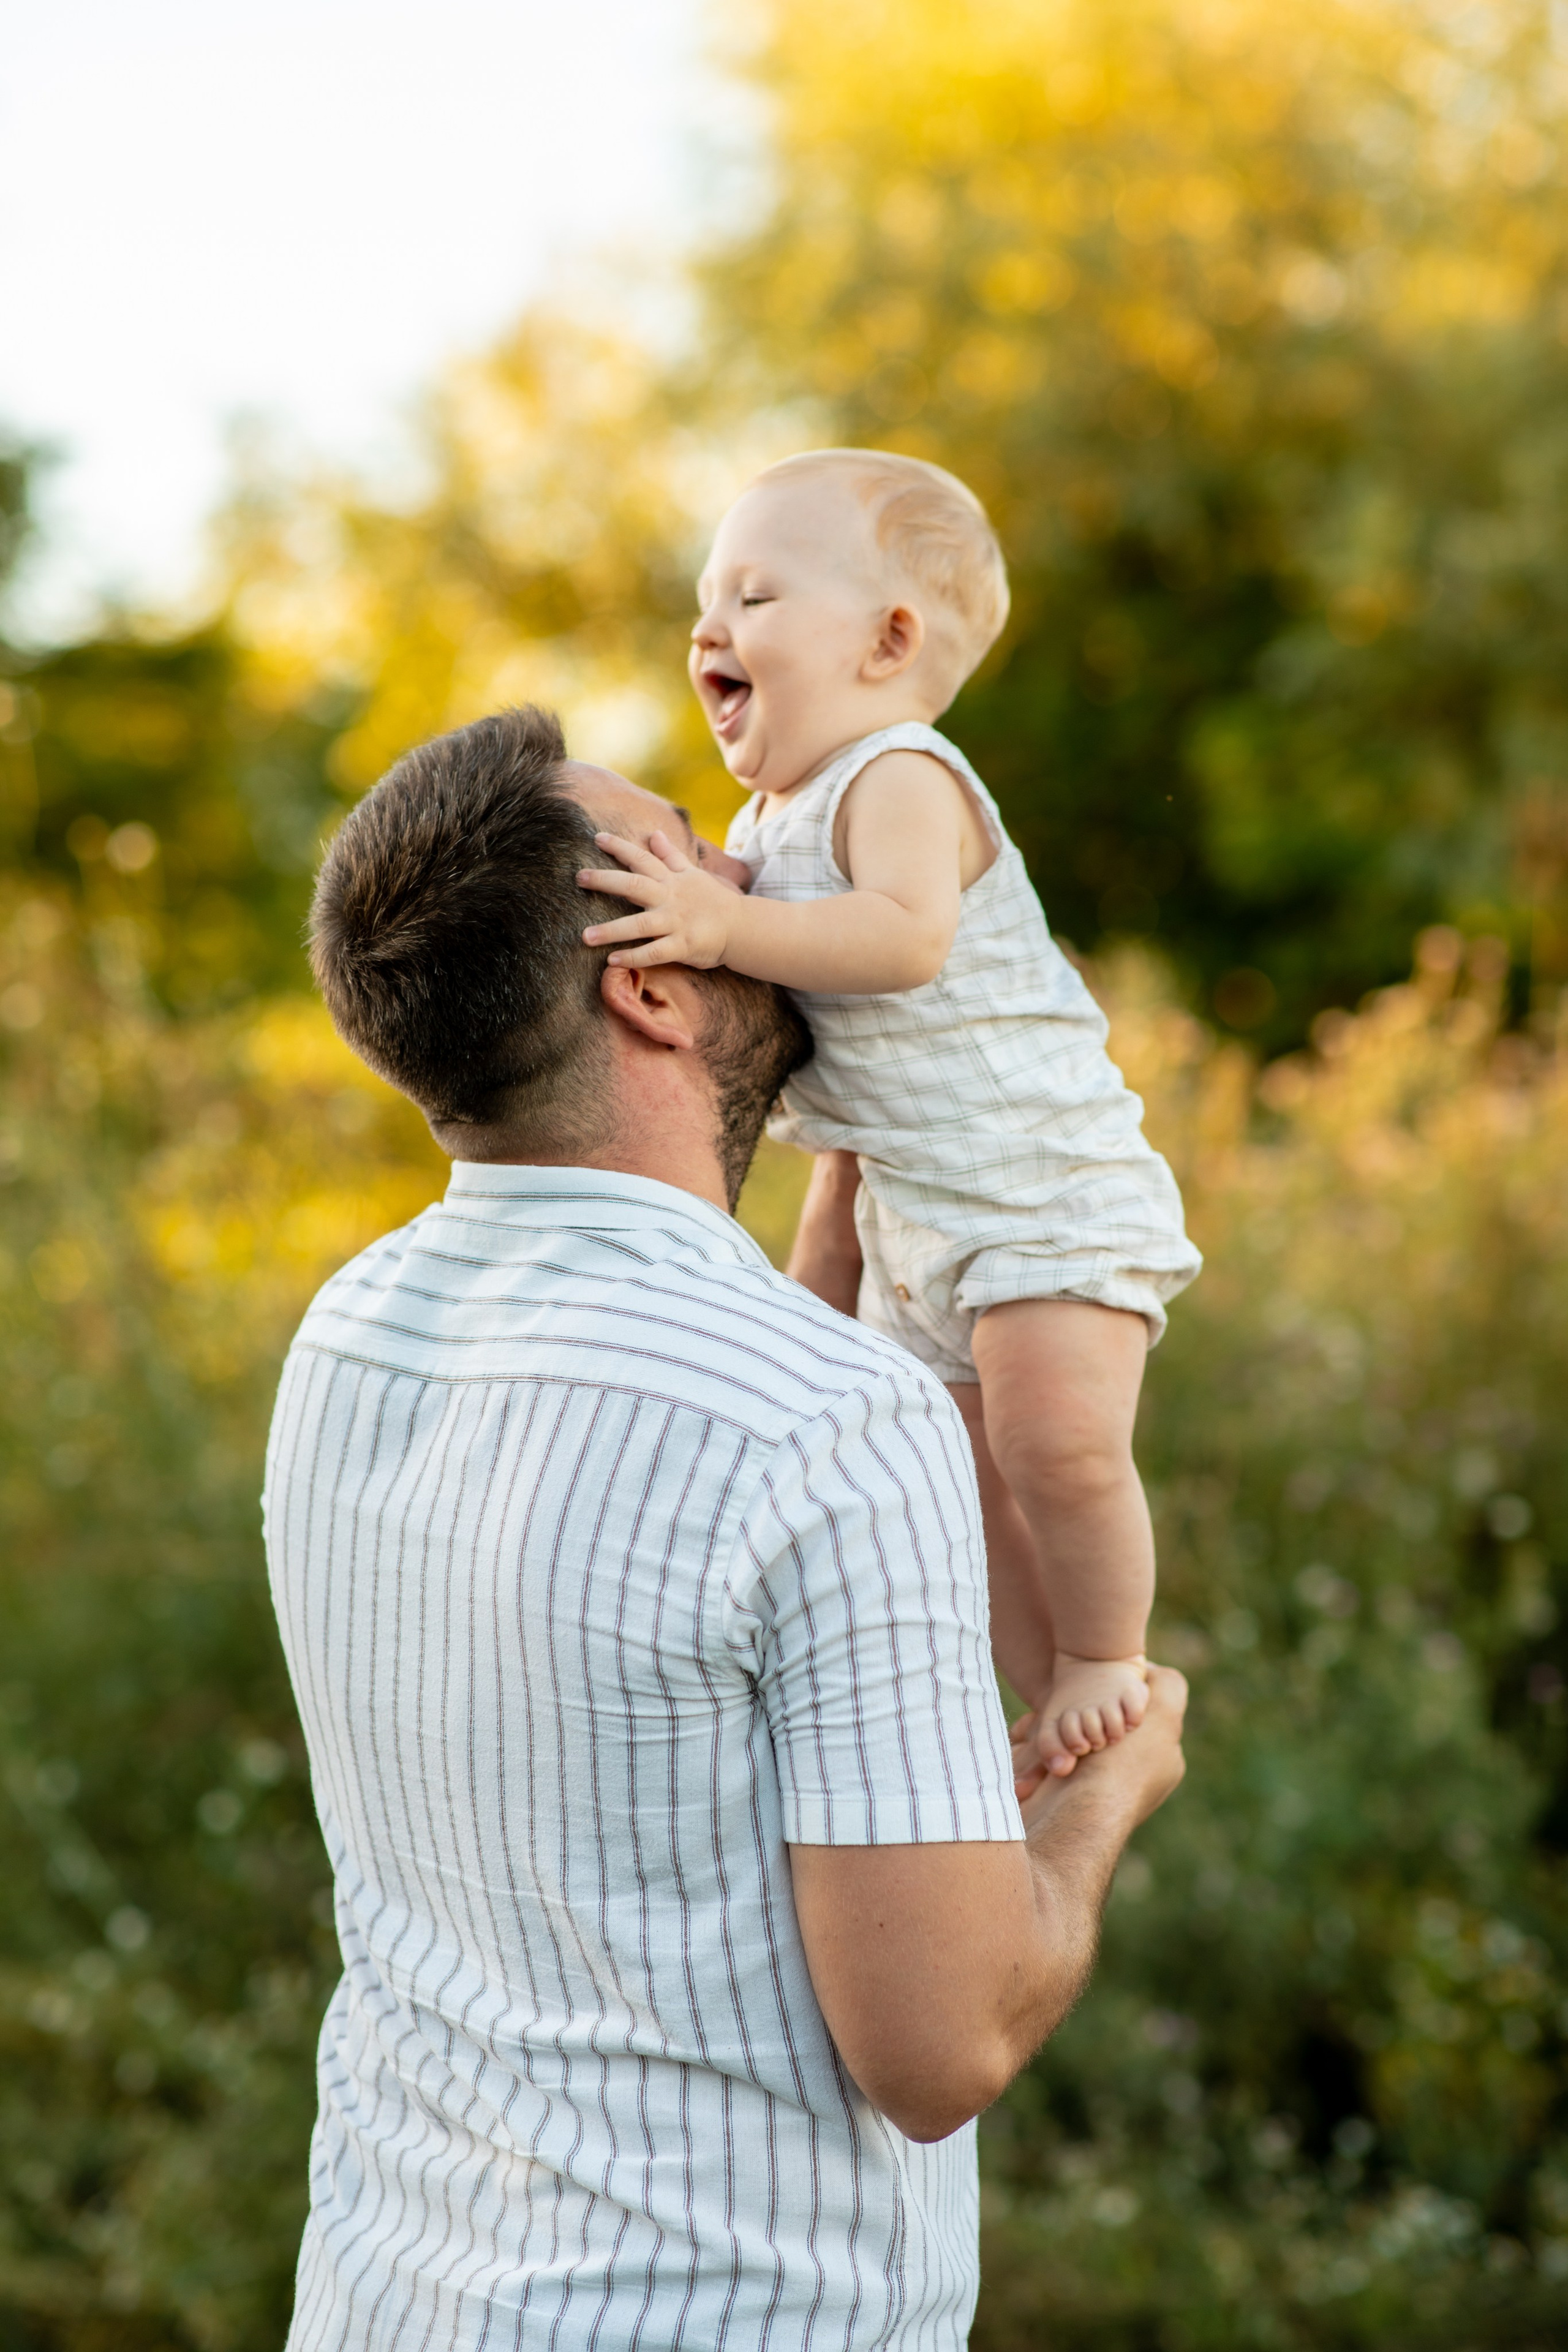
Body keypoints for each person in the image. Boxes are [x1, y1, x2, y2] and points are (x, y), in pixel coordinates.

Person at [267, 701, 1188, 2351]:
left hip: (387, 2296)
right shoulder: (830, 1423)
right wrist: (1105, 1792)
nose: (757, 869)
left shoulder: (350, 1332)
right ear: (651, 985)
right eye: (696, 853)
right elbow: (943, 2049)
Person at [576, 448, 1203, 1784]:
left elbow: (906, 940)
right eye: (704, 602)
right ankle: (1051, 1697)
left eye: (752, 598)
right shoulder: (770, 818)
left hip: (1041, 1189)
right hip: (920, 1222)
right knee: (953, 1474)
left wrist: (719, 923)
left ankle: (1109, 1657)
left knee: (1051, 1441)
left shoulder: (898, 776)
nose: (708, 629)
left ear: (888, 642)